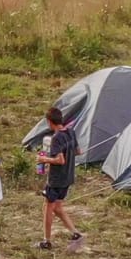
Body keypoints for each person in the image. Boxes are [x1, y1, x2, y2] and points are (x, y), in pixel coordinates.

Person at [34, 106, 84, 251]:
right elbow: (78, 151)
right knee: (57, 207)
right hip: (68, 177)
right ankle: (76, 234)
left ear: (50, 122)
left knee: (48, 207)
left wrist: (44, 160)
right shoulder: (71, 132)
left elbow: (60, 160)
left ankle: (46, 241)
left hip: (56, 179)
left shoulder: (56, 138)